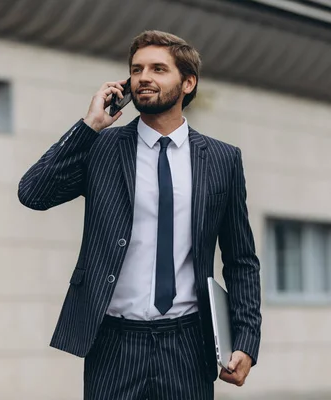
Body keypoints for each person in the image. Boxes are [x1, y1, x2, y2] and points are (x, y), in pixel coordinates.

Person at [18, 30, 261, 400]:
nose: (143, 77)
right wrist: (89, 126)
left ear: (187, 82)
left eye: (158, 69)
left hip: (187, 344)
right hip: (113, 343)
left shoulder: (222, 160)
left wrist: (245, 339)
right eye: (136, 69)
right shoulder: (101, 147)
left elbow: (241, 259)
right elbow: (33, 193)